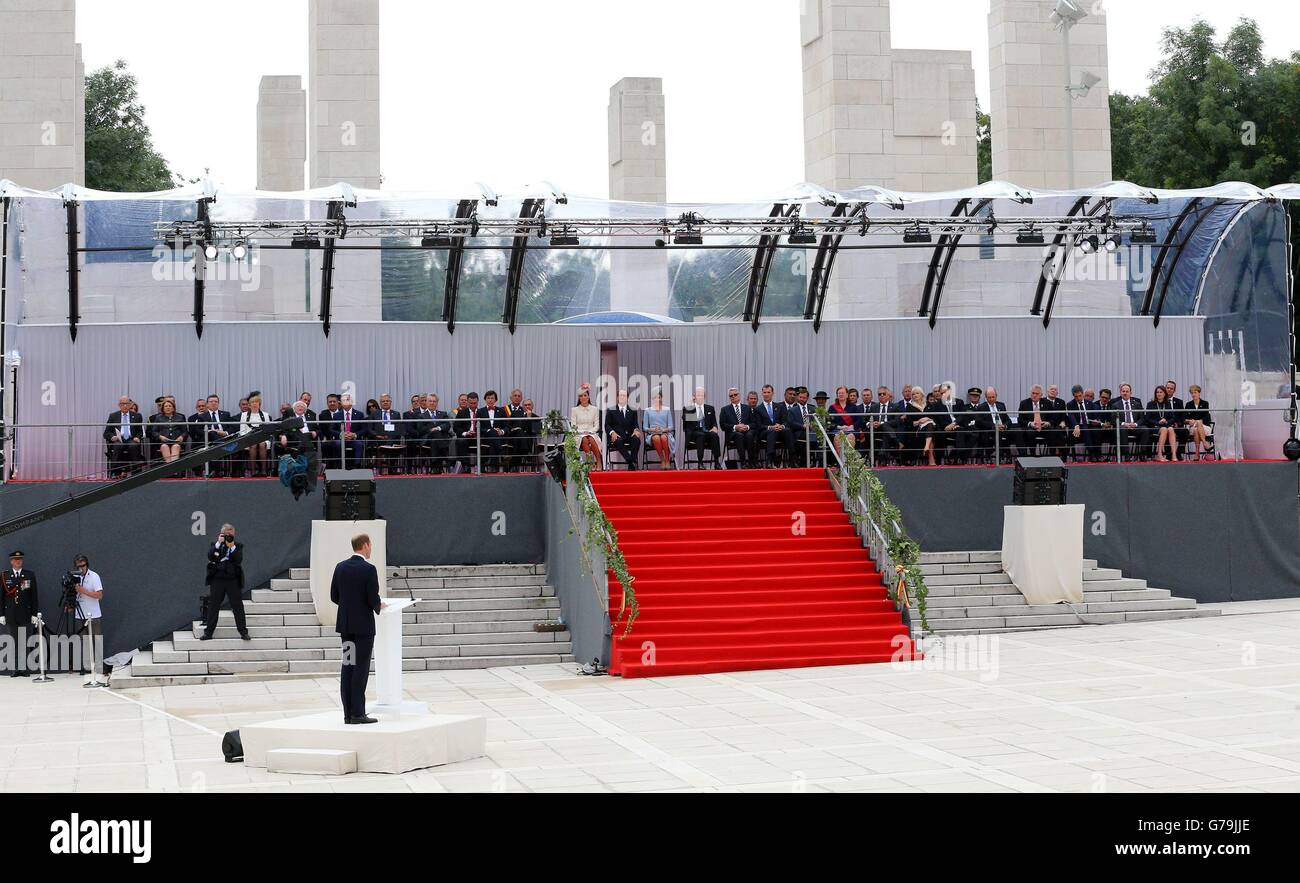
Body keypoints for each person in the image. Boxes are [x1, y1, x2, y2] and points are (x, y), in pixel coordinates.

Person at [331, 533, 385, 725]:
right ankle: (358, 714)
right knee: (360, 669)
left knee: (348, 666)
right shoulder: (369, 569)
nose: (371, 548)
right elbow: (373, 598)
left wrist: (349, 606)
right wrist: (379, 605)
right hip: (363, 629)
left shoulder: (340, 567)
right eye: (370, 545)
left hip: (346, 628)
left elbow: (334, 596)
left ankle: (348, 714)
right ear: (364, 545)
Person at [200, 524, 249, 641]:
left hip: (233, 581)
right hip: (218, 580)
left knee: (237, 606)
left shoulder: (238, 546)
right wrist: (218, 543)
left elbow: (238, 560)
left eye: (231, 535)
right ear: (222, 534)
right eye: (227, 535)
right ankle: (208, 633)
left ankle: (243, 632)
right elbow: (210, 556)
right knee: (213, 606)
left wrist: (232, 546)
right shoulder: (215, 545)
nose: (229, 537)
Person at [70, 555, 110, 681]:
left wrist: (83, 590)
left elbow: (99, 595)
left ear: (87, 564)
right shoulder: (75, 578)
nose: (81, 568)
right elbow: (73, 594)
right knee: (85, 641)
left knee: (96, 640)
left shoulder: (94, 576)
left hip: (93, 614)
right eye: (78, 566)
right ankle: (87, 666)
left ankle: (98, 667)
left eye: (83, 565)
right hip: (80, 614)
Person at [1, 551, 37, 677]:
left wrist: (34, 613)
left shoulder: (29, 575)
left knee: (24, 642)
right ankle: (15, 669)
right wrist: (1, 614)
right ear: (11, 561)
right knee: (14, 642)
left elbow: (33, 596)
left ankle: (23, 669)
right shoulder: (5, 576)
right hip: (11, 614)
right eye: (16, 559)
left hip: (25, 614)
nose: (18, 561)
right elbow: (1, 597)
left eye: (20, 559)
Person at [104, 395, 146, 478]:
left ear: (130, 404)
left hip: (131, 439)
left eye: (127, 403)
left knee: (133, 446)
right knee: (118, 446)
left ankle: (136, 472)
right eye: (123, 404)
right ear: (119, 405)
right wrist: (112, 437)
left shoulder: (137, 416)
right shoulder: (113, 416)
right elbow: (106, 433)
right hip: (118, 439)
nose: (125, 406)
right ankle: (115, 472)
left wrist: (138, 437)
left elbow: (139, 432)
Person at [683, 387, 722, 469]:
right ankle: (700, 462)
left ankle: (716, 461)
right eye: (698, 395)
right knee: (700, 435)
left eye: (702, 395)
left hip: (706, 431)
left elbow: (714, 422)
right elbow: (685, 419)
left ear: (704, 397)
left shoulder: (710, 408)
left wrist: (715, 427)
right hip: (694, 433)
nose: (700, 397)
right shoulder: (688, 408)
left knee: (714, 435)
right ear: (694, 396)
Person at [754, 384, 791, 468]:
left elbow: (785, 421)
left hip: (779, 430)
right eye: (764, 392)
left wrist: (781, 426)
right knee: (772, 431)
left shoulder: (779, 406)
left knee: (788, 430)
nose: (766, 394)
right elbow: (759, 426)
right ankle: (770, 460)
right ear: (762, 393)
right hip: (765, 433)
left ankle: (792, 458)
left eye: (768, 392)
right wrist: (771, 427)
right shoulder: (758, 409)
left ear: (773, 393)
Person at [604, 389, 642, 470]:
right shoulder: (611, 410)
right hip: (617, 436)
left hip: (629, 435)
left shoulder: (632, 410)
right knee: (618, 440)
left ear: (627, 398)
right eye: (620, 395)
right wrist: (612, 432)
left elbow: (635, 424)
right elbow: (607, 425)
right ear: (617, 397)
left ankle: (631, 462)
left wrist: (636, 430)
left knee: (636, 440)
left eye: (624, 395)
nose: (622, 397)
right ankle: (631, 461)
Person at [719, 387, 757, 468]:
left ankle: (751, 461)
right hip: (732, 434)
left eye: (735, 395)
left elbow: (754, 423)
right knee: (739, 435)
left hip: (746, 431)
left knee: (749, 435)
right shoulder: (725, 409)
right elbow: (722, 425)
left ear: (739, 396)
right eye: (731, 395)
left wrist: (746, 427)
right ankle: (743, 462)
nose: (733, 396)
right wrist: (735, 427)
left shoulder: (747, 408)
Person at [239, 392, 273, 477]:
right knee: (253, 445)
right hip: (249, 438)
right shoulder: (244, 415)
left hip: (263, 438)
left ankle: (263, 471)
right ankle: (253, 471)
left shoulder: (265, 415)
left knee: (262, 444)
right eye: (252, 402)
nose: (255, 404)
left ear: (259, 404)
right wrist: (248, 437)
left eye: (256, 402)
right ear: (249, 405)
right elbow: (242, 431)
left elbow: (268, 430)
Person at [974, 387, 1011, 463]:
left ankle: (1010, 457)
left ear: (996, 396)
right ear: (986, 397)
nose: (991, 399)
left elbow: (1008, 420)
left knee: (1016, 433)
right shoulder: (981, 407)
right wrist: (994, 426)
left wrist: (1005, 425)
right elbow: (979, 422)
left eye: (993, 397)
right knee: (997, 434)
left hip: (1003, 428)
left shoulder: (1001, 405)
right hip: (991, 430)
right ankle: (1000, 456)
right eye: (989, 397)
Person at [641, 388, 676, 469]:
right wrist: (653, 430)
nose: (657, 399)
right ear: (652, 399)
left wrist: (663, 430)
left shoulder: (666, 409)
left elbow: (671, 426)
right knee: (656, 438)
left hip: (665, 433)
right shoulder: (647, 410)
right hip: (653, 434)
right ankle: (662, 460)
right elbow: (645, 427)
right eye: (655, 397)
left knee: (663, 437)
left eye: (658, 397)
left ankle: (667, 460)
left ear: (661, 398)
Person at [1113, 384, 1150, 459]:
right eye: (1123, 391)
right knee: (1122, 430)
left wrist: (1135, 424)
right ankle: (1127, 454)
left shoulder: (1137, 404)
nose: (1125, 393)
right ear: (1120, 392)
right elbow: (1113, 420)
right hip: (1123, 427)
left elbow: (1142, 418)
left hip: (1135, 427)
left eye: (1127, 391)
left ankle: (1143, 453)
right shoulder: (1115, 405)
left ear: (1130, 393)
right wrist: (1124, 424)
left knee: (1145, 429)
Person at [570, 385, 603, 469]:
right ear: (579, 398)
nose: (583, 397)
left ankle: (598, 461)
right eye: (581, 396)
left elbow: (596, 425)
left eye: (585, 395)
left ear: (588, 397)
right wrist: (582, 432)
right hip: (579, 434)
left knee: (591, 439)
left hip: (592, 433)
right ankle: (591, 462)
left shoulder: (594, 409)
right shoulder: (574, 410)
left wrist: (590, 432)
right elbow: (573, 426)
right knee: (584, 439)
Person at [150, 398, 187, 465]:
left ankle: (172, 469)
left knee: (176, 447)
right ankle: (171, 469)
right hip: (163, 442)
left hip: (176, 441)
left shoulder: (180, 417)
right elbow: (154, 431)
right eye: (166, 406)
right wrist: (160, 437)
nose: (168, 408)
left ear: (173, 408)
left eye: (170, 406)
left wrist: (181, 437)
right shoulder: (158, 418)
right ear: (163, 408)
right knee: (164, 447)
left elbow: (185, 431)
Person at [1146, 384, 1179, 462]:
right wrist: (1158, 422)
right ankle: (1159, 454)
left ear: (1164, 394)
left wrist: (1166, 422)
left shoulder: (1167, 404)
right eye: (1157, 392)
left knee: (1170, 429)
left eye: (1161, 392)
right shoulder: (1150, 404)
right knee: (1164, 429)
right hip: (1154, 426)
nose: (1159, 394)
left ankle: (1174, 454)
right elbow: (1148, 418)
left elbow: (1173, 418)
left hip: (1165, 425)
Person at [1184, 385, 1214, 460]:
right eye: (1192, 393)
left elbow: (1206, 416)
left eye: (1195, 392)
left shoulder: (1205, 403)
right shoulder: (1188, 404)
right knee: (1195, 429)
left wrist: (1198, 421)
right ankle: (1205, 443)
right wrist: (1189, 421)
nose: (1193, 394)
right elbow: (1184, 418)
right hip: (1193, 427)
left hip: (1205, 427)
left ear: (1199, 393)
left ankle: (1197, 453)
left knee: (1198, 426)